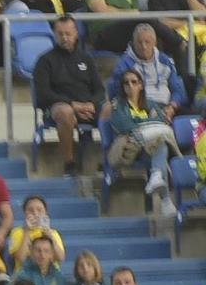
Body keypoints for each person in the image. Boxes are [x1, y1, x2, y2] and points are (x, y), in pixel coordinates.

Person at [33, 15, 103, 173]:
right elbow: (43, 94)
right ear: (54, 34)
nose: (64, 38)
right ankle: (69, 162)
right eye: (60, 34)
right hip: (58, 108)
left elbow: (100, 90)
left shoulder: (87, 58)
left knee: (110, 110)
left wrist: (91, 104)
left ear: (76, 33)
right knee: (66, 112)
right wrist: (73, 105)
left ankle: (109, 162)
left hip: (87, 107)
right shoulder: (45, 61)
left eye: (68, 33)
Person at [103, 68, 181, 208]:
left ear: (141, 85)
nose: (130, 86)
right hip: (131, 150)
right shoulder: (118, 105)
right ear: (123, 87)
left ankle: (157, 179)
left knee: (161, 145)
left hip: (149, 150)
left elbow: (159, 122)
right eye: (126, 83)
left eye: (134, 82)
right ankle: (165, 199)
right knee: (160, 143)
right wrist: (148, 126)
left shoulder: (150, 104)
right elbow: (124, 126)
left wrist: (142, 126)